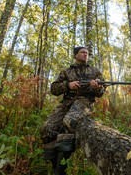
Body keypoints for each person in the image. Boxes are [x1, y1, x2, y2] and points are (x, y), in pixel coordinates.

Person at [40, 46, 106, 175]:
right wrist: (67, 85)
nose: (85, 54)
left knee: (68, 122)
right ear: (75, 55)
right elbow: (54, 89)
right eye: (82, 52)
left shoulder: (95, 71)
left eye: (87, 53)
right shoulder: (66, 72)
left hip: (84, 102)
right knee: (46, 129)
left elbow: (101, 92)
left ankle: (62, 168)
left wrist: (96, 87)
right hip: (66, 103)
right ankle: (53, 163)